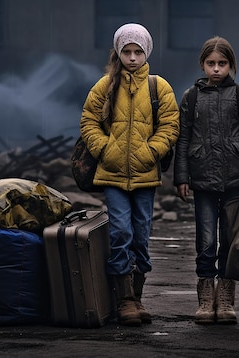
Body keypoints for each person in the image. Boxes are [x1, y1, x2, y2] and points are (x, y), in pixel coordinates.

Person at [79, 23, 179, 326]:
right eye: (127, 51)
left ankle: (137, 297)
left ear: (146, 52)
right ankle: (123, 300)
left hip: (146, 176)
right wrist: (105, 150)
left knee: (141, 234)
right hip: (112, 175)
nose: (132, 57)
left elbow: (171, 125)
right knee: (120, 231)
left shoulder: (158, 87)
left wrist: (151, 152)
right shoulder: (104, 85)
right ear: (118, 53)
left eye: (138, 52)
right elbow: (88, 121)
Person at [173, 36, 239, 325]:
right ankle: (205, 296)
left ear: (231, 65)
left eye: (222, 64)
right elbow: (183, 138)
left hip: (235, 176)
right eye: (211, 64)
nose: (216, 69)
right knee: (206, 239)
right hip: (202, 177)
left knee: (230, 238)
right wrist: (181, 176)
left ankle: (225, 297)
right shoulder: (190, 97)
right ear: (202, 64)